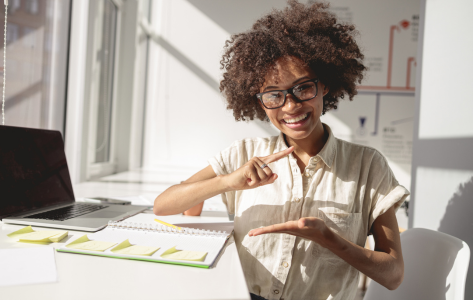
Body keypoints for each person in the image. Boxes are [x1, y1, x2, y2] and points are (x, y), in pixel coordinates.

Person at [154, 1, 409, 299]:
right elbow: (163, 205)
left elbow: (393, 275)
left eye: (303, 88)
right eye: (274, 95)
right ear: (260, 101)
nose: (291, 106)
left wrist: (330, 239)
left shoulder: (367, 166)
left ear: (324, 85)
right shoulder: (243, 154)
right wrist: (226, 182)